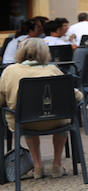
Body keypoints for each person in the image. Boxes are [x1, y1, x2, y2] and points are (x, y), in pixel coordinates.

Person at [0, 39, 80, 179]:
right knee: (63, 120)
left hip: (24, 121)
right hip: (56, 119)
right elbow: (74, 96)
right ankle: (57, 164)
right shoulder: (53, 70)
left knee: (29, 117)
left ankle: (38, 167)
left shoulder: (10, 71)